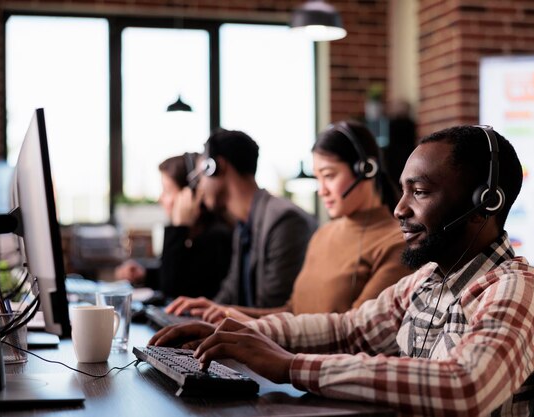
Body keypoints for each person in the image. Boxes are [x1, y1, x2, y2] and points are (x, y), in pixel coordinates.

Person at [150, 125, 534, 416]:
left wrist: (291, 366)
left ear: (484, 202)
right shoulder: (427, 281)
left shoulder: (517, 289)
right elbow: (348, 330)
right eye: (402, 190)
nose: (400, 208)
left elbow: (465, 386)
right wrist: (239, 333)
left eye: (420, 192)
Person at [170, 121, 411, 323]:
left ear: (366, 169)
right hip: (290, 367)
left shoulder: (395, 244)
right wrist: (221, 312)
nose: (321, 190)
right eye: (318, 178)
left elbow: (353, 331)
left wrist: (248, 323)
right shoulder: (323, 235)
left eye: (329, 176)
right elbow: (292, 312)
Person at [165, 129, 317, 313]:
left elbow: (273, 309)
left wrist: (221, 313)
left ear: (217, 167)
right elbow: (229, 294)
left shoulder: (284, 221)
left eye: (200, 177)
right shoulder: (244, 225)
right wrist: (202, 313)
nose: (200, 187)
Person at [115, 154, 233, 300]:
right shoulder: (194, 233)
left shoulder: (216, 237)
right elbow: (183, 274)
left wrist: (178, 228)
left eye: (167, 191)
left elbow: (172, 288)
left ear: (190, 194)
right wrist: (144, 274)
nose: (160, 198)